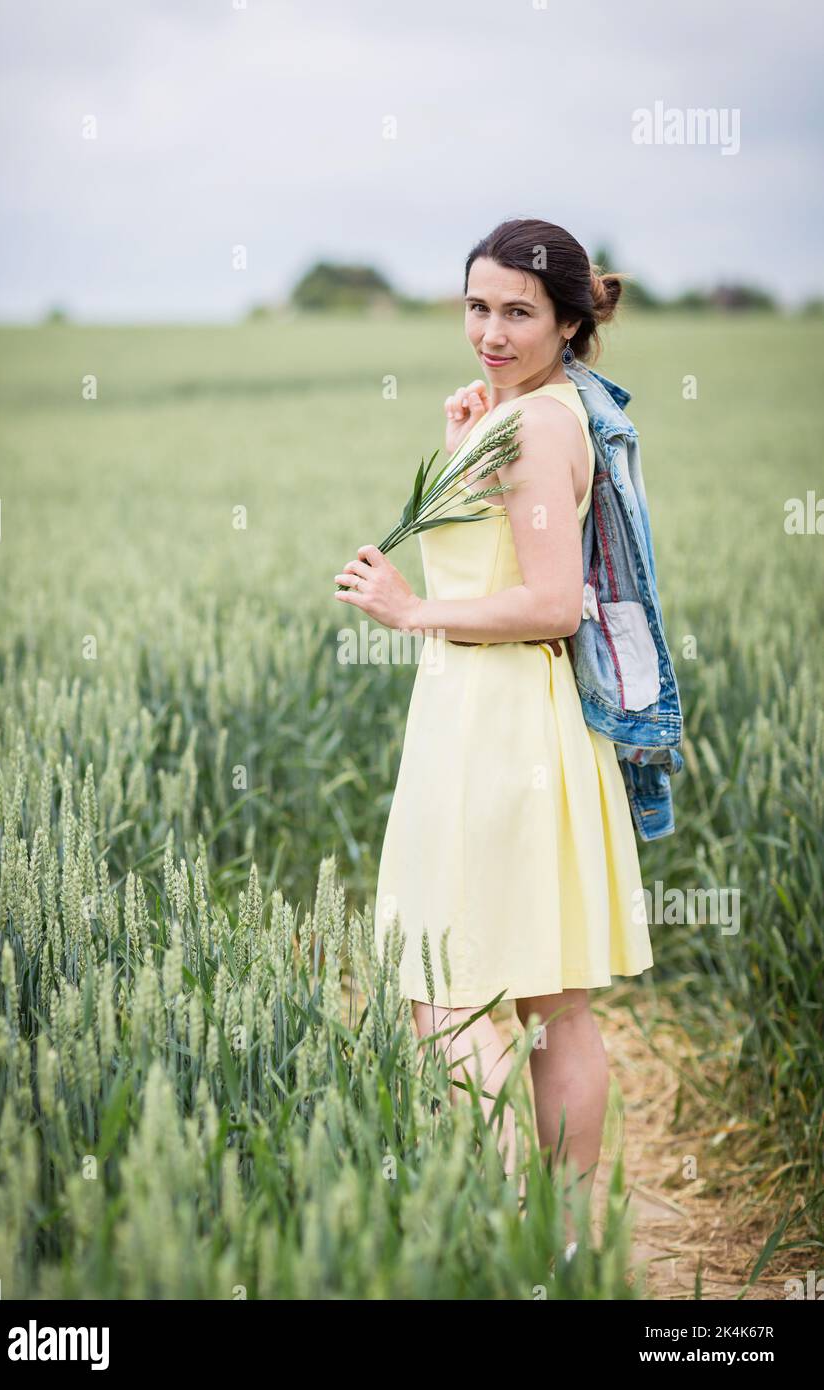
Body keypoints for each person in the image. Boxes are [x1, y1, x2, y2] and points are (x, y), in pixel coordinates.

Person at [333, 218, 655, 1246]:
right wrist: (466, 433)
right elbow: (499, 560)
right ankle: (561, 1241)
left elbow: (551, 601)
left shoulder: (537, 425)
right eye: (478, 306)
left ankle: (496, 1229)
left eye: (518, 311)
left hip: (493, 727)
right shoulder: (536, 412)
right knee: (552, 1002)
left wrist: (406, 610)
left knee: (451, 996)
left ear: (567, 320)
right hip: (512, 720)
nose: (491, 330)